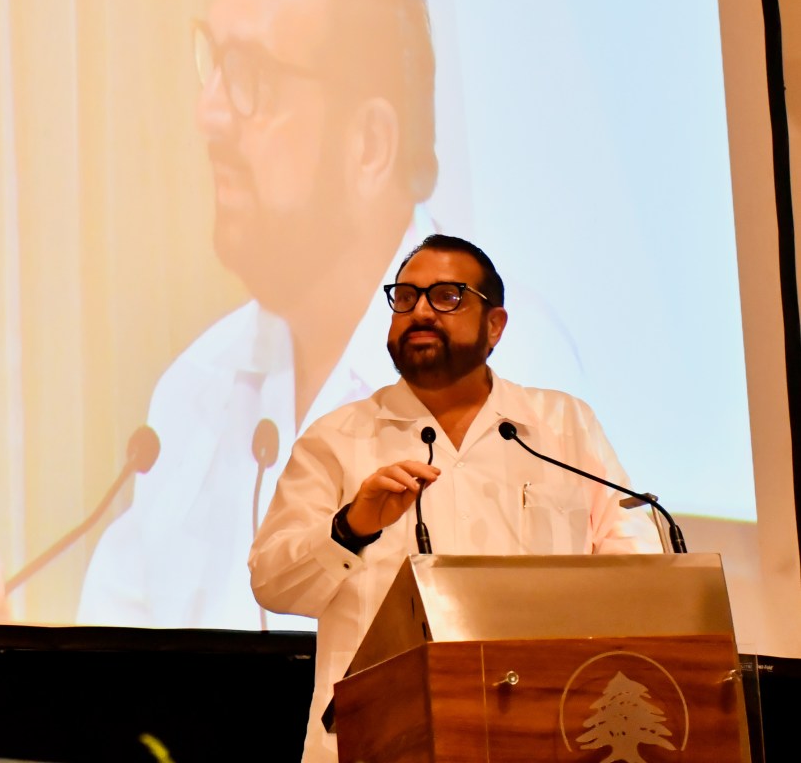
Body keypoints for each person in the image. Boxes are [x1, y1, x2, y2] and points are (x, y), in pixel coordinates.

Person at [76, 0, 440, 629]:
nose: (208, 114)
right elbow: (110, 678)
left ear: (369, 145)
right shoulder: (191, 399)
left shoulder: (502, 396)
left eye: (252, 79)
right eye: (213, 62)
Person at [248, 233, 661, 763]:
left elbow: (636, 567)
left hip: (542, 731)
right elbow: (272, 582)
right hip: (381, 741)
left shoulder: (561, 425)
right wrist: (350, 528)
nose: (420, 311)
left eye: (447, 296)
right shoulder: (336, 438)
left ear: (495, 325)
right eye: (405, 297)